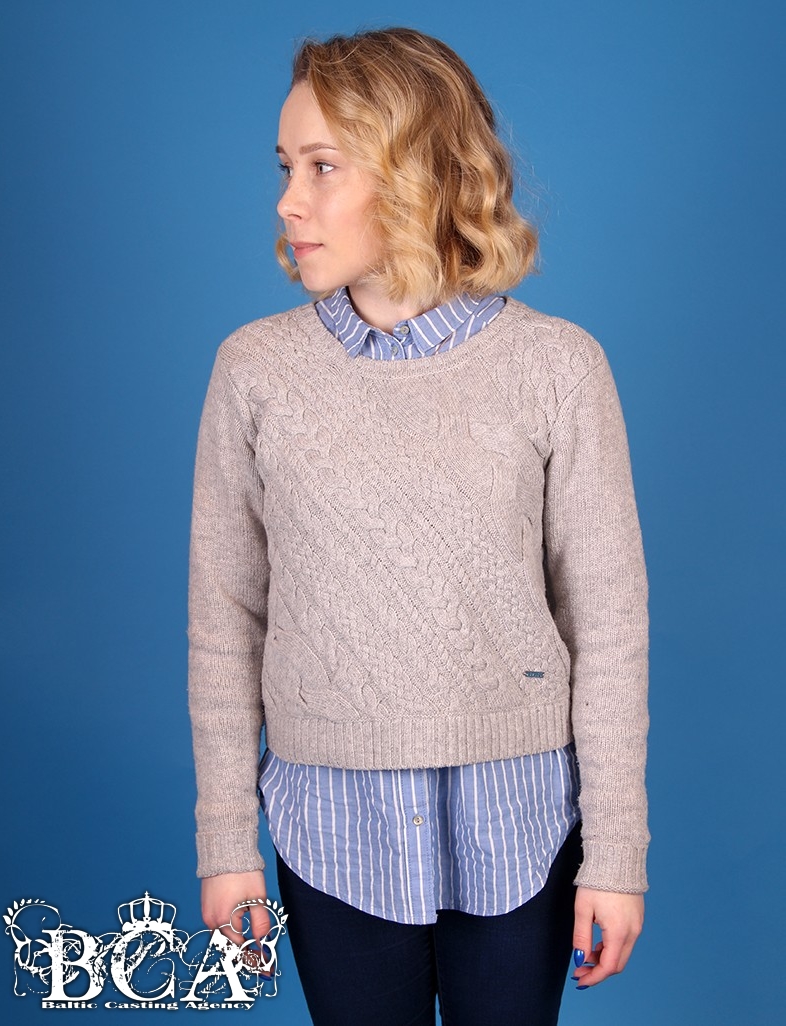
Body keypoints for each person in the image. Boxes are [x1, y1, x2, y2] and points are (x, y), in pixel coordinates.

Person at [188, 27, 649, 1026]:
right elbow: (225, 623)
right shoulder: (254, 372)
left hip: (520, 820)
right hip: (329, 825)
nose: (288, 200)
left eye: (322, 167)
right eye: (284, 167)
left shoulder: (557, 368)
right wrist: (226, 842)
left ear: (419, 172)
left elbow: (608, 628)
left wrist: (616, 855)